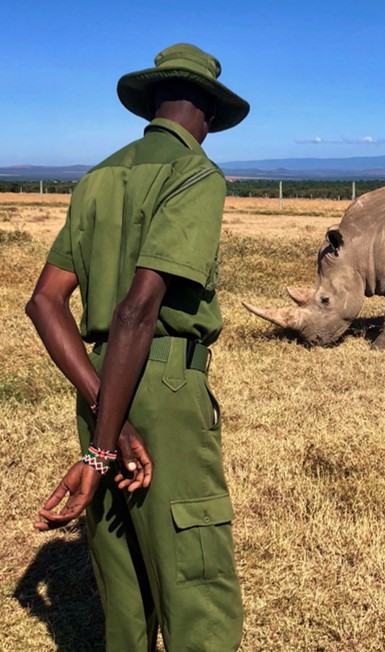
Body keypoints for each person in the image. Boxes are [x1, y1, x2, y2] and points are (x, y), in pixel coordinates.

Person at [25, 43, 249, 651]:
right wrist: (106, 448)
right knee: (195, 580)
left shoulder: (97, 178)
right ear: (204, 110)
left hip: (97, 382)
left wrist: (104, 415)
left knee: (120, 578)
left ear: (151, 103)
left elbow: (45, 302)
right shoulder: (195, 173)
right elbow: (137, 310)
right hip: (162, 385)